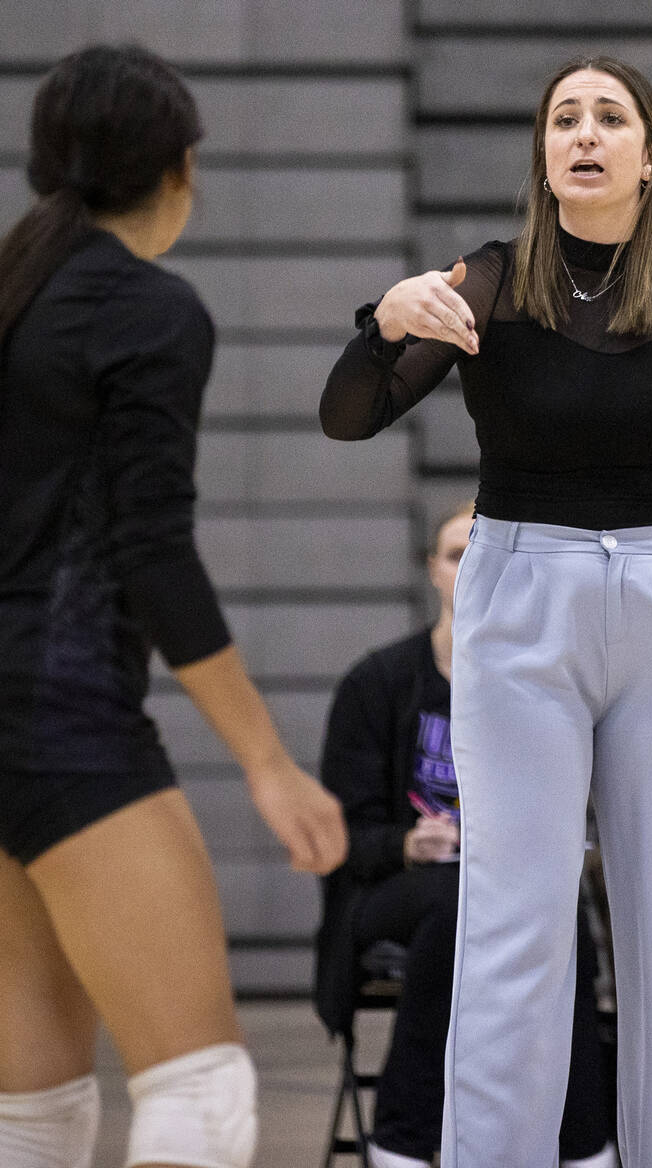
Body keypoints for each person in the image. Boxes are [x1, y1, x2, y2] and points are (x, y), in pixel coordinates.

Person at [321, 53, 652, 1168]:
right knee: (514, 930)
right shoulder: (485, 280)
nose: (583, 132)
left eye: (609, 117)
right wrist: (382, 319)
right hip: (524, 591)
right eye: (563, 117)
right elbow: (349, 415)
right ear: (544, 151)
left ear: (651, 155)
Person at [0, 45, 346, 1168]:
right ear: (180, 168)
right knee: (200, 1094)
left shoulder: (15, 296)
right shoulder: (151, 311)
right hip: (65, 725)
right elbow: (154, 554)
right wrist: (267, 762)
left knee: (35, 1116)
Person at [316, 504, 616, 1168]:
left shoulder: (546, 685)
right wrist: (404, 843)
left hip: (512, 884)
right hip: (395, 889)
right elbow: (341, 837)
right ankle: (406, 1138)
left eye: (489, 557)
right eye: (458, 555)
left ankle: (583, 1145)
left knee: (552, 911)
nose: (472, 570)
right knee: (464, 906)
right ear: (433, 571)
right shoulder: (380, 682)